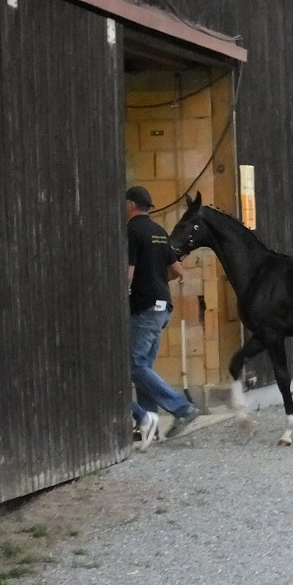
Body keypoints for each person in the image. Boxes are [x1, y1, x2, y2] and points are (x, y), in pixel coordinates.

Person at [125, 185, 200, 449]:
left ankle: (182, 408)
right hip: (163, 306)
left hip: (144, 307)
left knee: (134, 366)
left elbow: (129, 273)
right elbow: (178, 270)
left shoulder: (132, 230)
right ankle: (150, 425)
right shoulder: (158, 231)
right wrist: (157, 279)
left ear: (130, 205)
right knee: (143, 366)